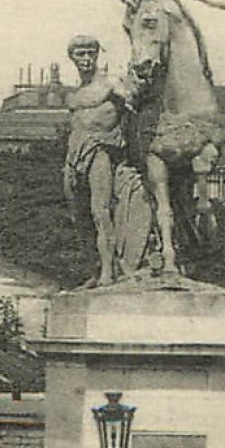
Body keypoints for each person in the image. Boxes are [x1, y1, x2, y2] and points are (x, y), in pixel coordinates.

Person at [63, 34, 141, 287]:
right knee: (79, 215)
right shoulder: (73, 95)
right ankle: (94, 269)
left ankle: (109, 270)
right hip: (74, 155)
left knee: (100, 211)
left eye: (90, 53)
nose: (86, 59)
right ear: (71, 57)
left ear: (97, 55)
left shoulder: (111, 86)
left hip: (101, 150)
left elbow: (135, 105)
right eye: (80, 54)